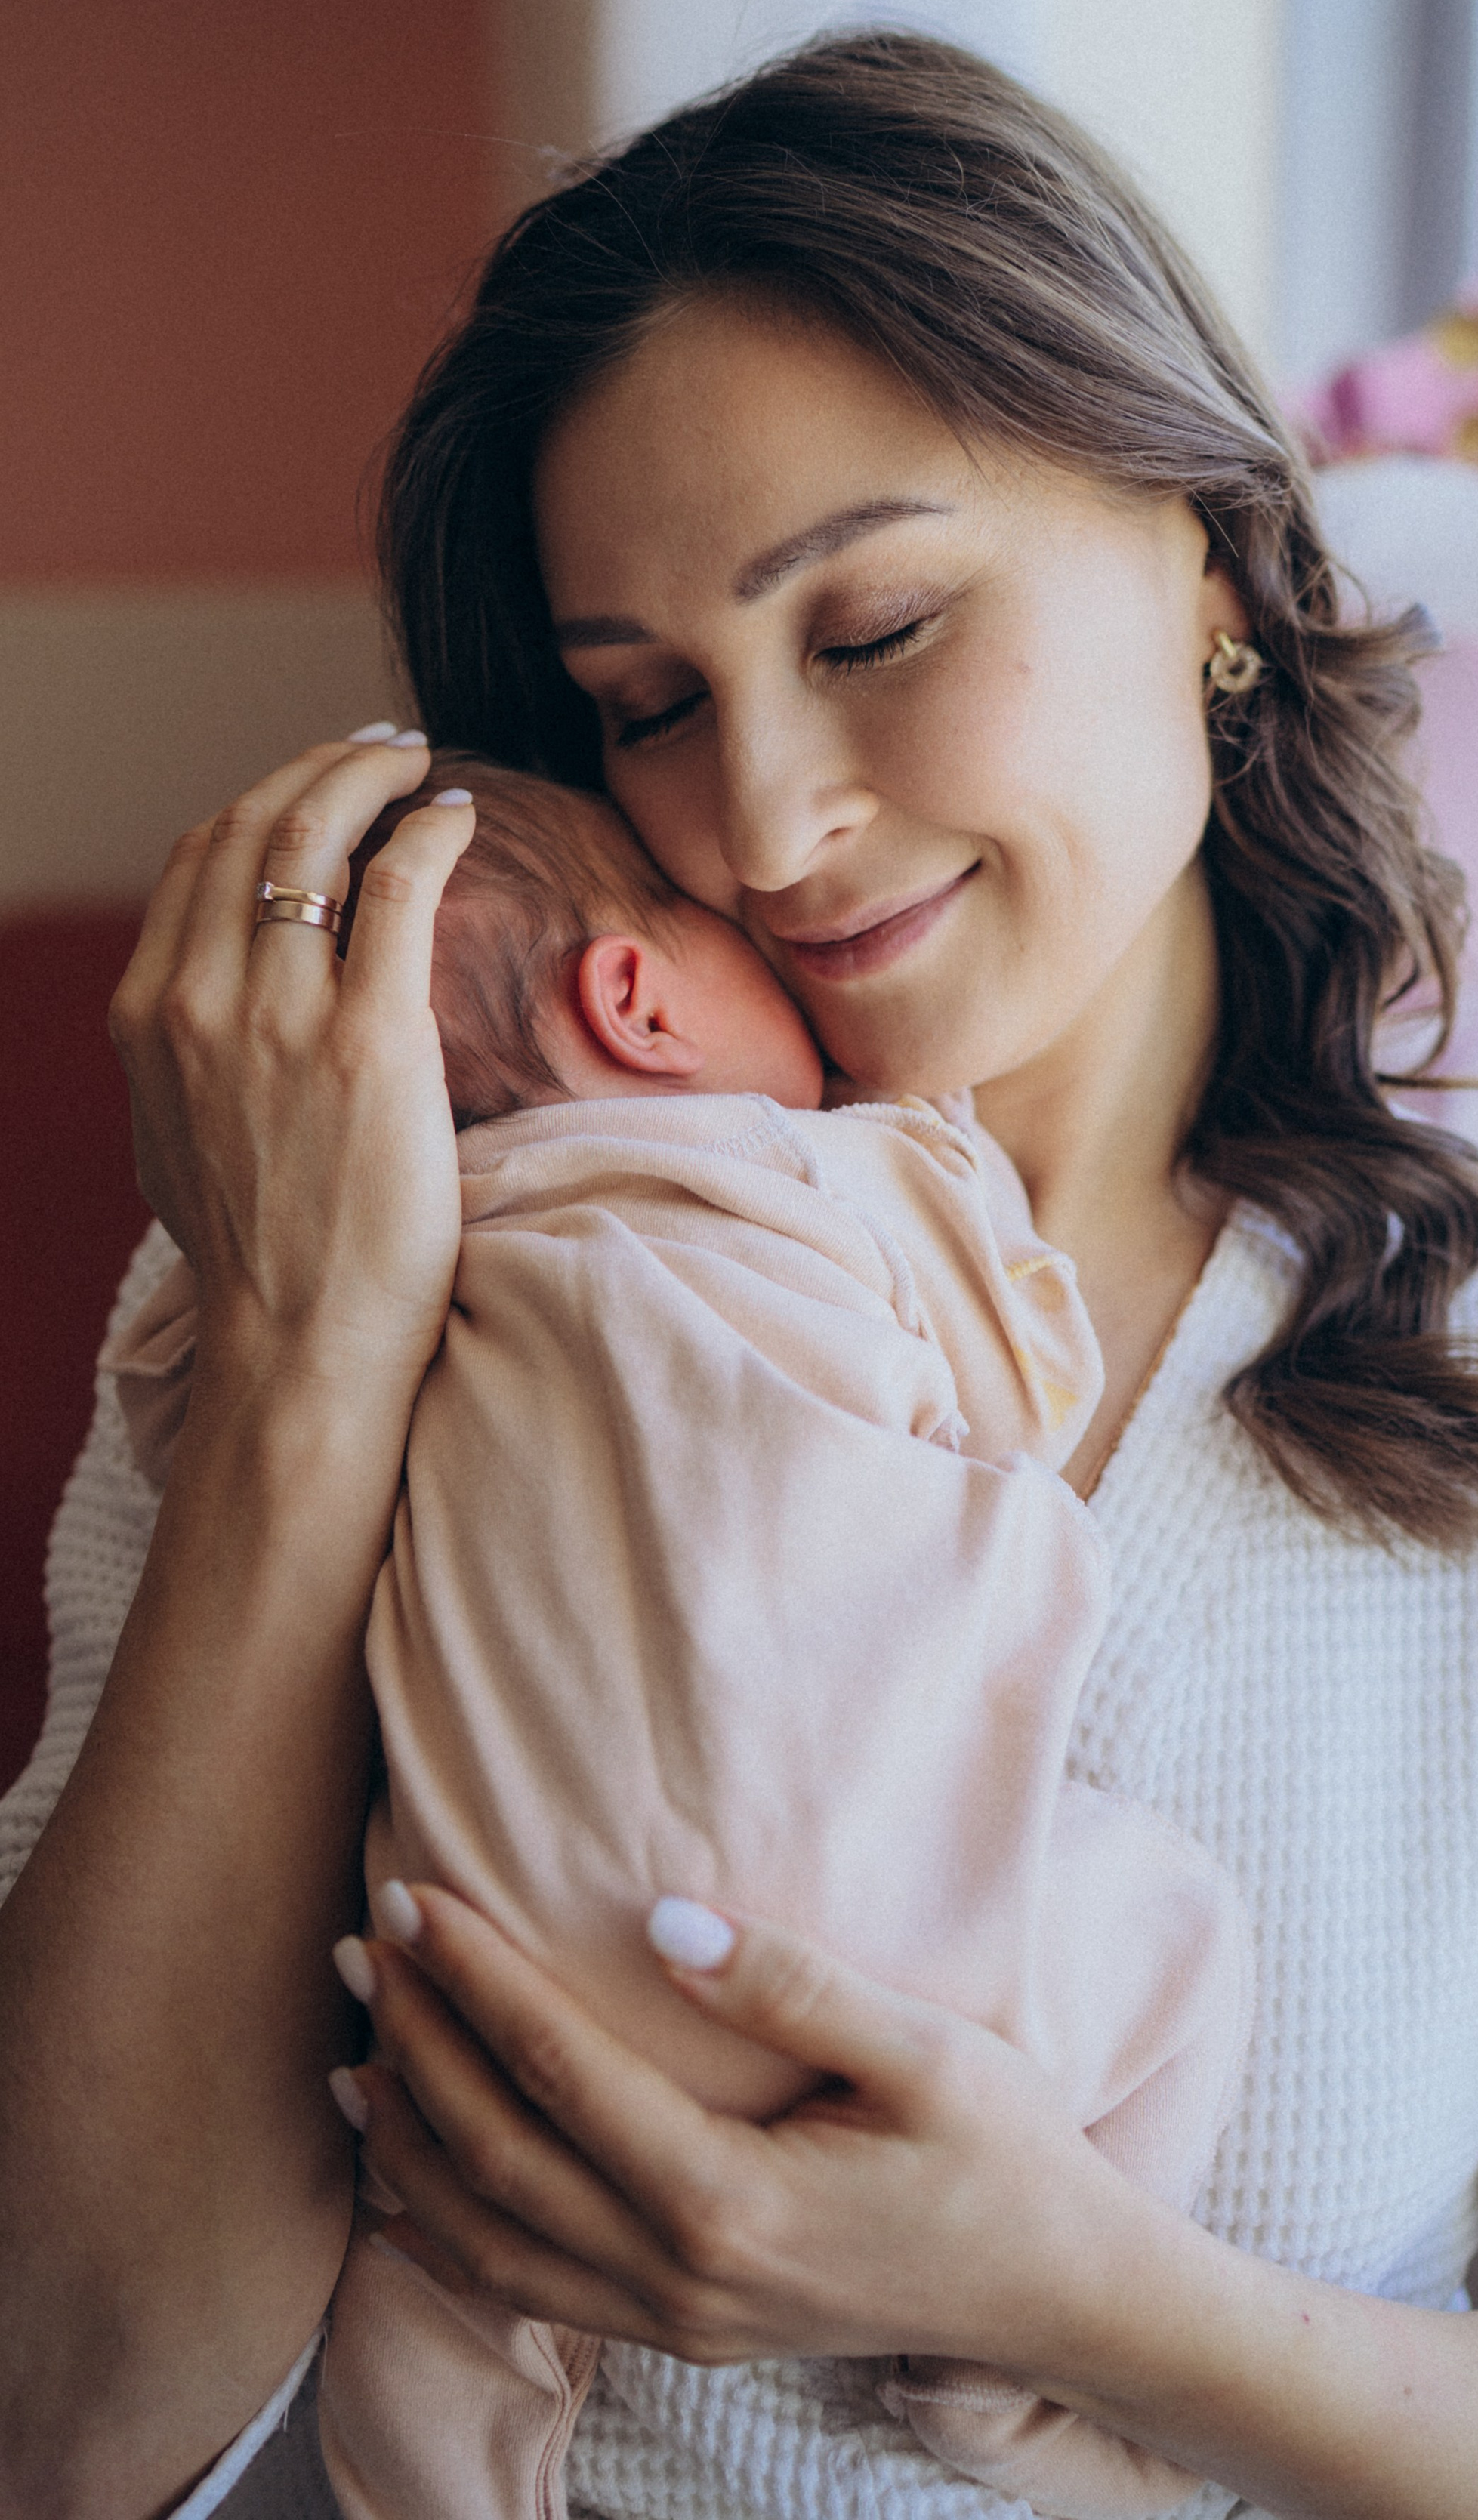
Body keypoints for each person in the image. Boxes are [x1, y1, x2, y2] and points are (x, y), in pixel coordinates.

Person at [1, 29, 1478, 2520]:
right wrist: (296, 1371)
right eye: (650, 706)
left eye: (881, 625)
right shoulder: (393, 1235)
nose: (768, 820)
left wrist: (1069, 2295)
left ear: (1215, 561)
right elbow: (60, 2410)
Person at [103, 753, 1250, 2520]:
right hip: (890, 1947)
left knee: (449, 2288)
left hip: (496, 1976)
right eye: (646, 704)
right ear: (635, 997)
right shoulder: (807, 1172)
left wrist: (290, 1313)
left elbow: (171, 1419)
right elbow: (1022, 1374)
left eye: (877, 628)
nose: (778, 858)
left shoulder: (371, 1276)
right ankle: (998, 2384)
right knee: (1178, 1939)